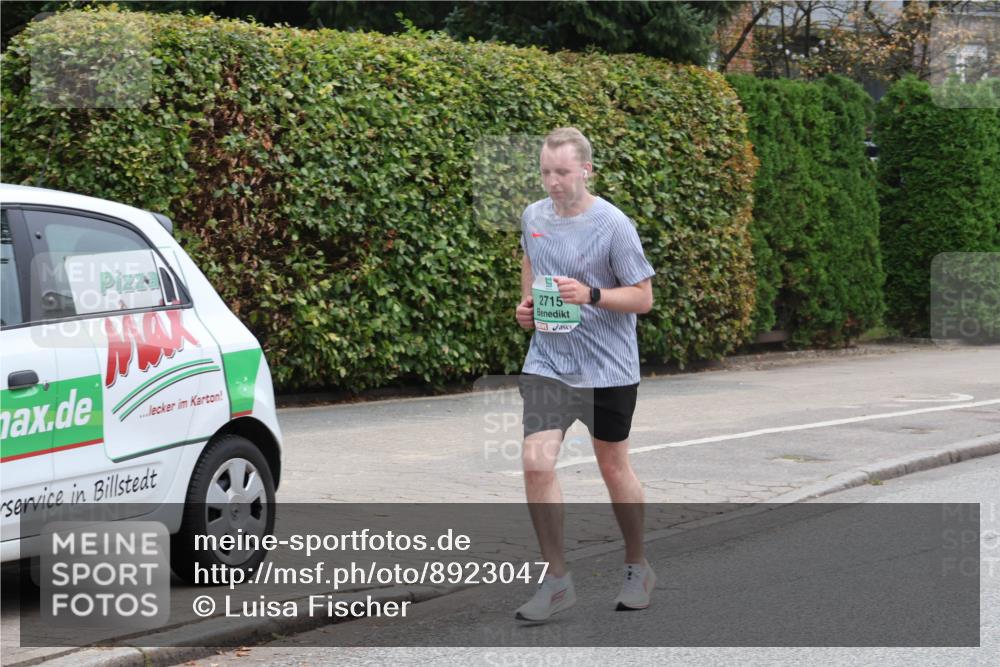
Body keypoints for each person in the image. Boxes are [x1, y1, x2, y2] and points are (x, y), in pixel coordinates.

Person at [513, 127, 656, 622]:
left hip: (608, 367)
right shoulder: (533, 216)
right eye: (546, 172)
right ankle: (556, 580)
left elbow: (643, 297)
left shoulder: (613, 224)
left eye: (562, 172)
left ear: (586, 170)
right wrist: (526, 307)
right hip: (549, 361)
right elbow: (531, 267)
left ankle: (637, 564)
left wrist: (592, 295)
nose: (552, 182)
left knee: (612, 466)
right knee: (536, 461)